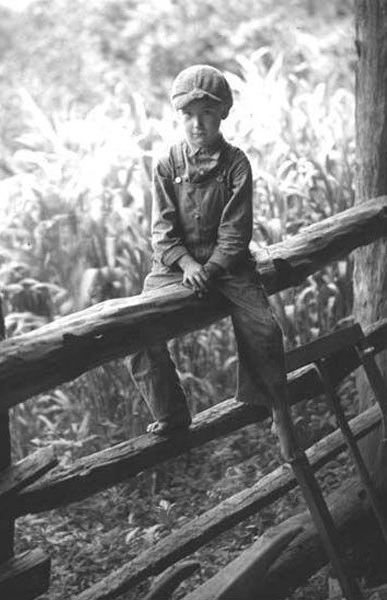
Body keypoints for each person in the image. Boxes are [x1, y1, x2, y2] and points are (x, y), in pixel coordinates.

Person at [127, 64, 295, 459]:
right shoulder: (168, 163)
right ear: (178, 116)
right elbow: (162, 231)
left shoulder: (236, 164)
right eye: (188, 114)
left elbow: (236, 233)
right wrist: (187, 266)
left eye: (207, 113)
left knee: (265, 330)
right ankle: (171, 412)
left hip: (229, 266)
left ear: (223, 115)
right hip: (175, 267)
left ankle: (279, 411)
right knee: (134, 329)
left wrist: (213, 269)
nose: (197, 124)